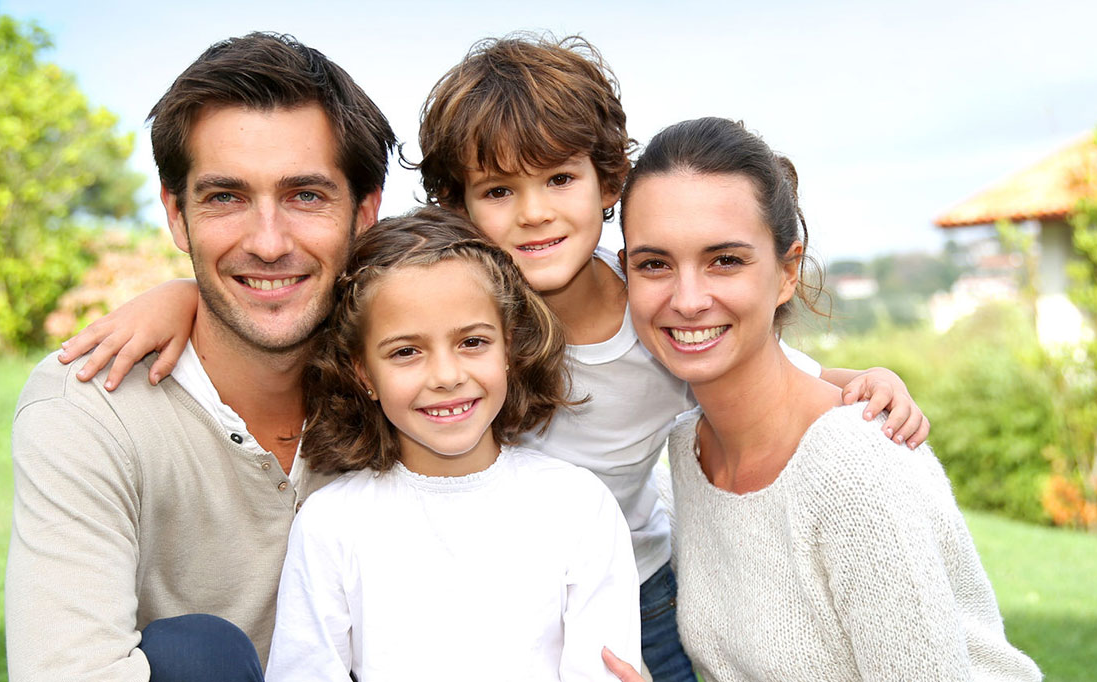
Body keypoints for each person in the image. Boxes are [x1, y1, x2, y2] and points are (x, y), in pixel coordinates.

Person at [60, 34, 931, 681]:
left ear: (609, 184)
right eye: (498, 191)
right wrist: (177, 295)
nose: (534, 214)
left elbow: (742, 352)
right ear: (458, 204)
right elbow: (323, 293)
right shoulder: (448, 299)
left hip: (637, 595)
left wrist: (856, 384)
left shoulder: (653, 311)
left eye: (559, 180)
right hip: (450, 600)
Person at [4, 32, 396, 682]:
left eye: (305, 195)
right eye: (225, 198)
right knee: (192, 656)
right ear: (177, 217)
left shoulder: (412, 382)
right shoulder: (87, 408)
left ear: (365, 214)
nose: (268, 243)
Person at [614, 117, 1044, 681]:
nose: (688, 299)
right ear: (626, 274)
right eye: (655, 264)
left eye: (726, 260)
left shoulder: (853, 464)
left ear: (788, 272)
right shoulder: (688, 456)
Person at [267, 207, 639, 680]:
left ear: (508, 346)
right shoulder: (330, 526)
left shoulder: (578, 507)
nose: (446, 377)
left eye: (472, 342)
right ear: (364, 373)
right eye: (406, 352)